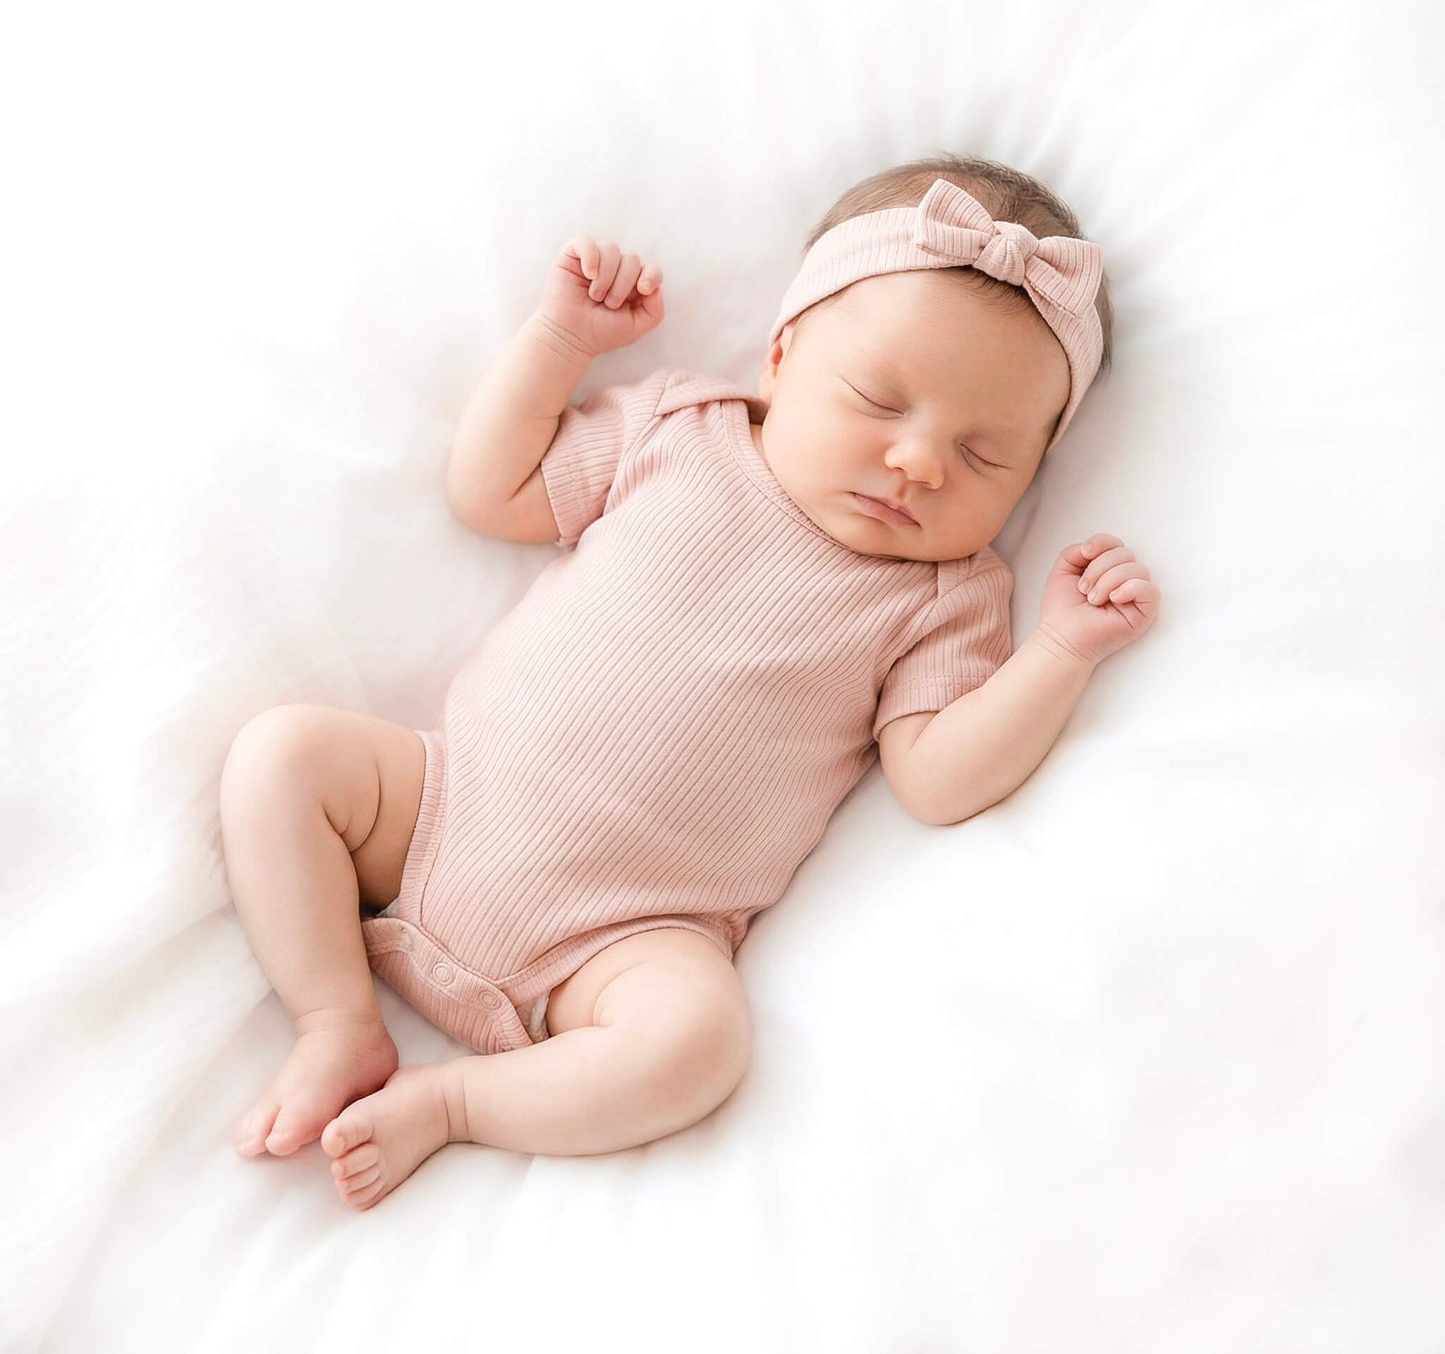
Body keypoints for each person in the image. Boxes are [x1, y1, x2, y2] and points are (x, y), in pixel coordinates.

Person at [221, 152, 1160, 1211]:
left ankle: (453, 1103)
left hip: (624, 938)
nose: (918, 462)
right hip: (440, 806)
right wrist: (559, 342)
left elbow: (936, 776)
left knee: (698, 1043)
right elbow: (491, 490)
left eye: (986, 457)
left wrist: (1060, 651)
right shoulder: (682, 427)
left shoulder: (943, 594)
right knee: (283, 755)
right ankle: (335, 1021)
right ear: (779, 354)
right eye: (877, 399)